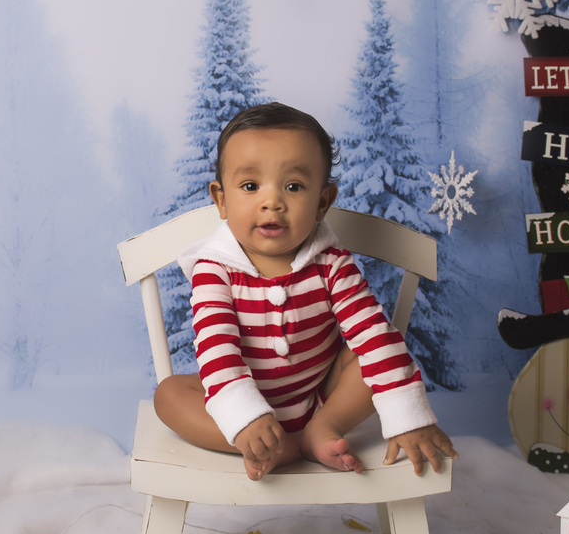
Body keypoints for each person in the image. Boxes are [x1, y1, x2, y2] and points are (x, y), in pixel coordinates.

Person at [154, 102, 458, 481]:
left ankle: (321, 430)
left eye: (294, 186)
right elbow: (218, 351)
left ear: (322, 202)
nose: (271, 201)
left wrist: (406, 416)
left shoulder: (331, 264)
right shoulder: (215, 270)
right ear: (221, 199)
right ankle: (258, 441)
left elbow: (372, 334)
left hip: (318, 398)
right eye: (250, 186)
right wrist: (244, 416)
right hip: (242, 399)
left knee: (372, 352)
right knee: (168, 395)